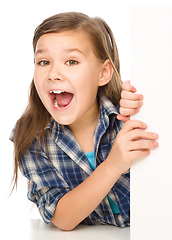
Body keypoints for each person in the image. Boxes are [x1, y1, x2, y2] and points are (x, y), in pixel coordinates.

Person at [10, 12, 158, 231]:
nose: (53, 73)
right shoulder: (32, 136)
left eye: (71, 61)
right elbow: (62, 218)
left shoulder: (130, 113)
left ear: (103, 73)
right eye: (43, 62)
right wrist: (113, 165)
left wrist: (151, 104)